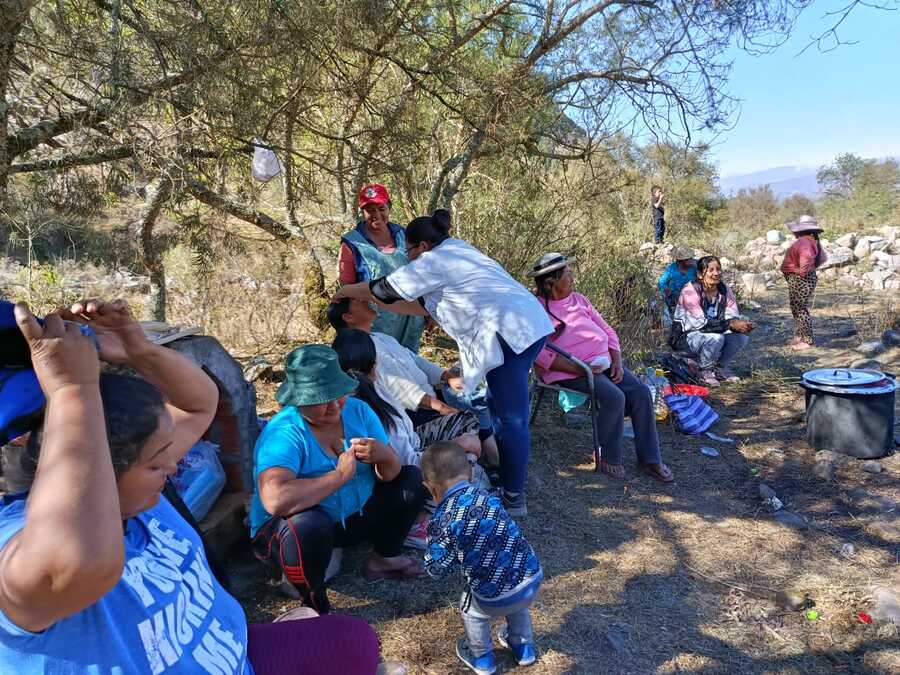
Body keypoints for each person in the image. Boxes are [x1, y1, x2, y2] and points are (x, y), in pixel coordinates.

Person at [0, 299, 381, 674]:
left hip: (234, 655)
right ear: (100, 466)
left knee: (353, 639)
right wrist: (72, 390)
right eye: (155, 462)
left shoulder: (135, 492)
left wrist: (138, 349)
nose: (173, 466)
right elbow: (78, 562)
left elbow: (200, 405)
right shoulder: (20, 548)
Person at [332, 212, 554, 516]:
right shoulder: (459, 250)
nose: (407, 260)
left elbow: (384, 289)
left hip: (510, 334)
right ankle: (504, 474)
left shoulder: (432, 261)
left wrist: (348, 291)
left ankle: (513, 494)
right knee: (497, 404)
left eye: (407, 252)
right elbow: (418, 306)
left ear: (421, 246)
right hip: (528, 326)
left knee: (510, 414)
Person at [250, 344, 428, 614]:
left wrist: (384, 456)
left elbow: (391, 475)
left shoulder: (358, 411)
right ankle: (314, 601)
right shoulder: (284, 432)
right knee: (308, 525)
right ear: (300, 400)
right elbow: (276, 500)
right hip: (301, 530)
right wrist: (340, 475)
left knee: (411, 479)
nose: (335, 406)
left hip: (350, 516)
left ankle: (384, 559)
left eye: (338, 395)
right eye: (322, 399)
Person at [529, 253, 674, 483]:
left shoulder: (580, 300)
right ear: (551, 282)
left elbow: (608, 331)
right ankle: (609, 457)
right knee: (614, 397)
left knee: (641, 392)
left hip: (603, 363)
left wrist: (616, 358)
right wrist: (581, 369)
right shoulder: (537, 310)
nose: (573, 276)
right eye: (568, 273)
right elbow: (540, 355)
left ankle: (650, 458)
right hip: (568, 370)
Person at [327, 297, 499, 465]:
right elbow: (399, 387)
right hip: (419, 410)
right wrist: (441, 407)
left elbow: (414, 359)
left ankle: (482, 461)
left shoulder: (380, 337)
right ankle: (482, 465)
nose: (367, 301)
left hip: (430, 397)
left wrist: (447, 376)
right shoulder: (360, 351)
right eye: (359, 301)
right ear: (348, 317)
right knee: (470, 417)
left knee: (477, 402)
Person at [421, 441, 542, 675]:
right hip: (531, 577)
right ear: (469, 471)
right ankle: (524, 647)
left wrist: (431, 556)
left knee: (471, 609)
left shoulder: (443, 518)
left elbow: (436, 568)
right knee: (513, 587)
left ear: (429, 486)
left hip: (494, 596)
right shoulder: (487, 495)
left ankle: (482, 658)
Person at [338, 183, 425, 351]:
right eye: (370, 210)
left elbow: (421, 273)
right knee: (381, 367)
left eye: (381, 208)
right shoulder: (352, 243)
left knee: (410, 364)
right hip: (375, 322)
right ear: (362, 212)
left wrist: (428, 311)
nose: (377, 214)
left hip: (410, 318)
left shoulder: (405, 234)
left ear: (389, 208)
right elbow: (347, 286)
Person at [670, 256, 755, 387]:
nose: (716, 273)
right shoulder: (690, 291)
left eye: (718, 269)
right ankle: (704, 370)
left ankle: (720, 368)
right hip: (686, 339)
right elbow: (701, 323)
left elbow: (731, 315)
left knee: (741, 338)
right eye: (711, 270)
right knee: (716, 338)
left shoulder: (724, 290)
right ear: (699, 274)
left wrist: (740, 325)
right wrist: (729, 324)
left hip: (711, 336)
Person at [780, 215, 827, 350]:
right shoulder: (809, 240)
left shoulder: (805, 242)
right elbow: (820, 259)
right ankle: (800, 336)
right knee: (796, 307)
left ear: (801, 230)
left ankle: (807, 340)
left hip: (801, 279)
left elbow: (806, 264)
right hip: (800, 278)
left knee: (800, 308)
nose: (794, 232)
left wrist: (798, 271)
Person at [657, 244, 698, 313]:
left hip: (691, 296)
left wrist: (698, 267)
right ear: (681, 260)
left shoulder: (695, 267)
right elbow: (662, 282)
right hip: (674, 296)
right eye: (688, 259)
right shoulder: (672, 268)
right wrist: (665, 289)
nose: (691, 260)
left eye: (691, 258)